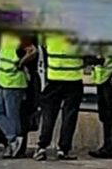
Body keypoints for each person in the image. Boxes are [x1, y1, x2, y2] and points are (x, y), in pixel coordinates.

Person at [35, 29, 86, 160]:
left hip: (54, 80)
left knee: (49, 114)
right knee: (69, 117)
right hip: (74, 80)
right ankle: (63, 149)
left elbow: (41, 47)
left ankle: (42, 146)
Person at [0, 28, 35, 157]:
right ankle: (14, 139)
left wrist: (21, 63)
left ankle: (14, 143)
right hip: (3, 82)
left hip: (14, 83)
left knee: (12, 115)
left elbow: (33, 51)